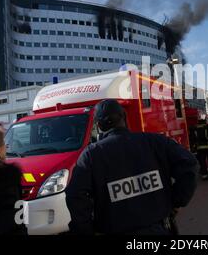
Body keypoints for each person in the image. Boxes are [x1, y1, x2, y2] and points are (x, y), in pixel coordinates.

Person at [65, 99, 198, 235]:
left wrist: (86, 230)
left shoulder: (91, 155)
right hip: (159, 229)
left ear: (99, 125)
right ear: (124, 116)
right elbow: (189, 164)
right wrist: (176, 201)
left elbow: (75, 195)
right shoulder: (155, 142)